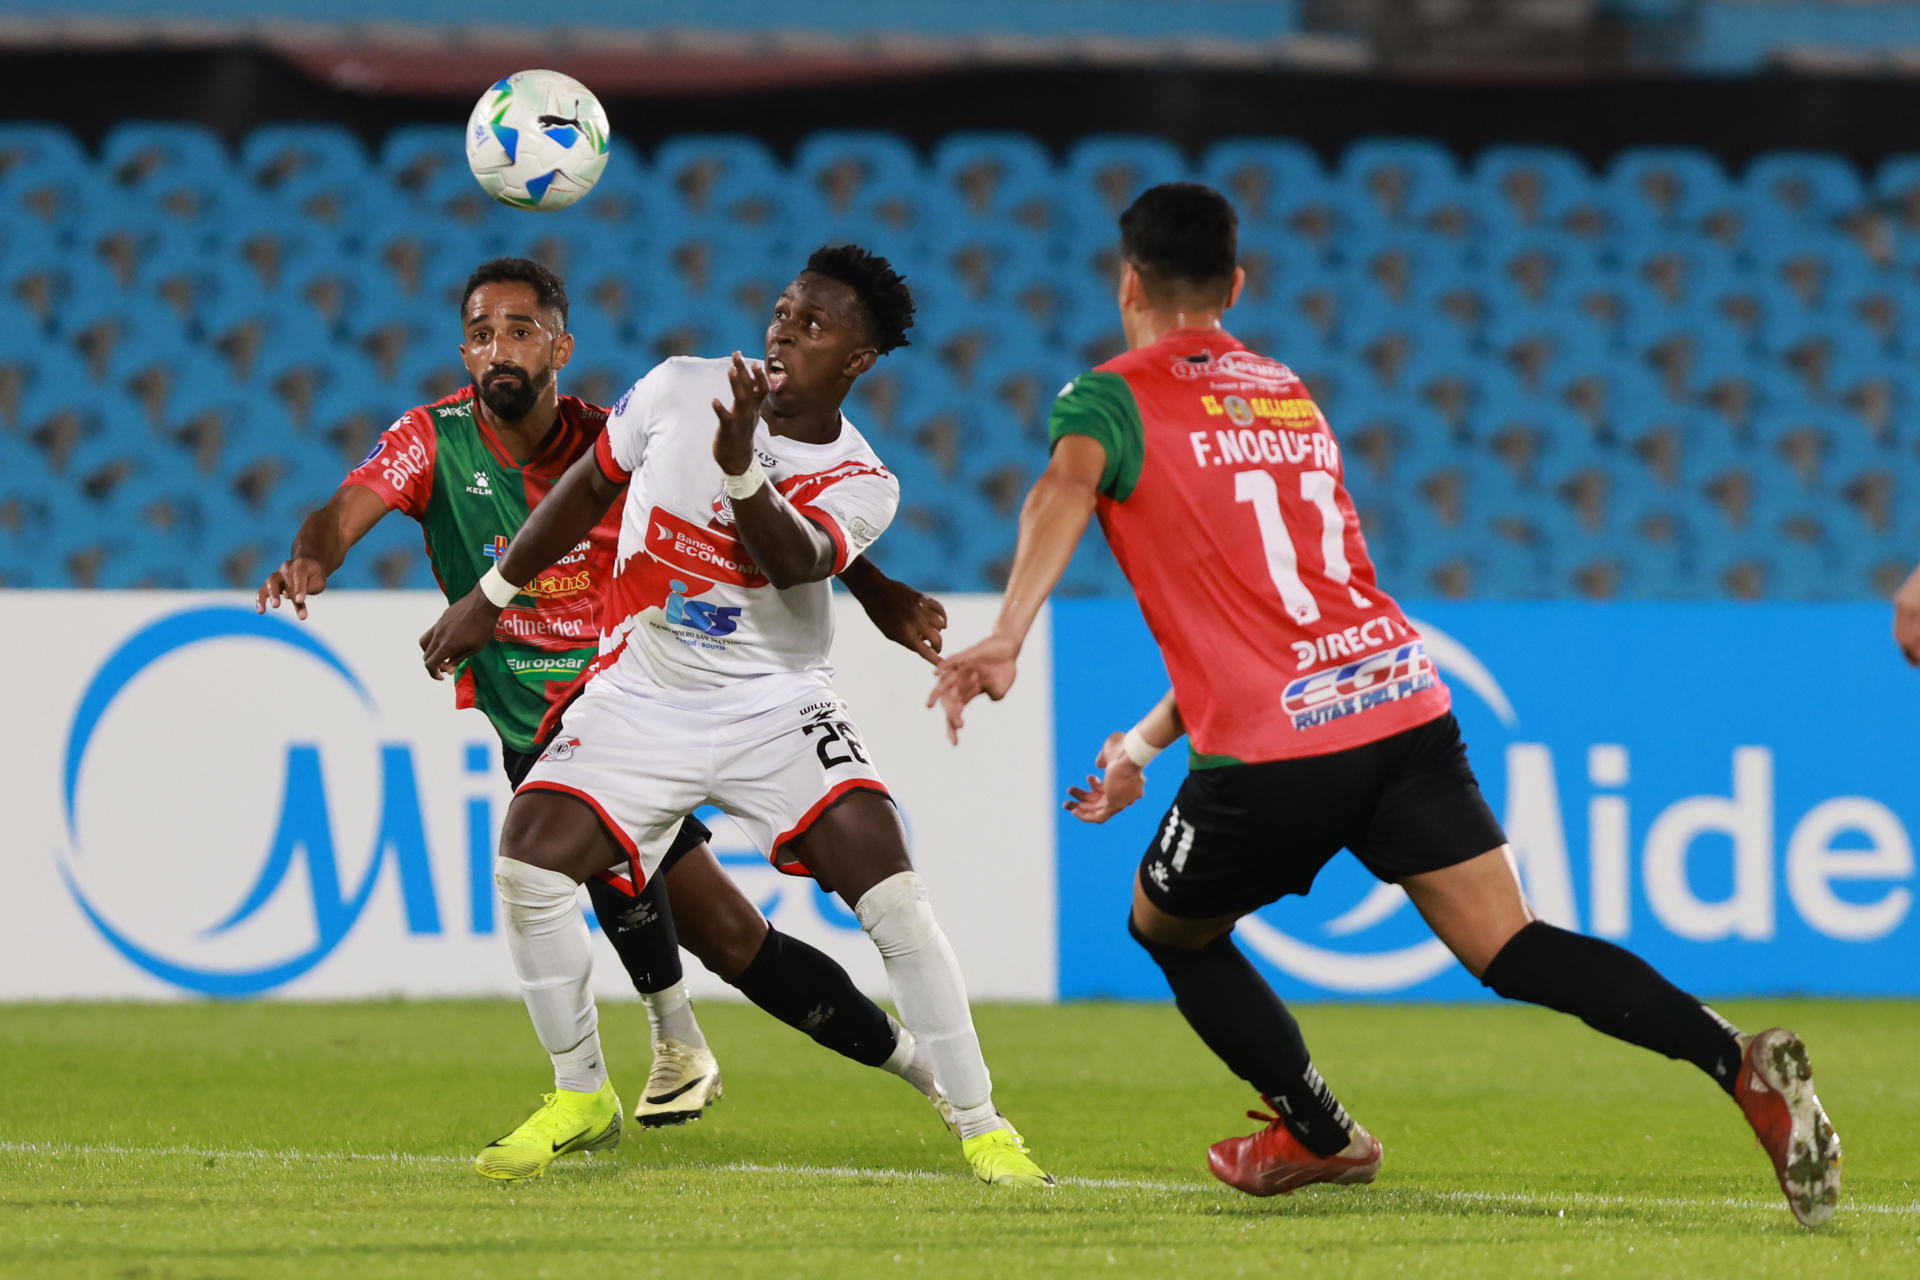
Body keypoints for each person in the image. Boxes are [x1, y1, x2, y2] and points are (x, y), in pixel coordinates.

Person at [931, 183, 1841, 1226]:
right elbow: (1277, 613)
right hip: (1403, 707)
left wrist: (1009, 625)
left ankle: (1320, 1134)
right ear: (1236, 284)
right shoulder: (1284, 392)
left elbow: (1064, 488)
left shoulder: (1108, 396)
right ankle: (1733, 1060)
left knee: (1169, 928)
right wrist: (1141, 741)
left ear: (1126, 280)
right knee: (1512, 942)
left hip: (1277, 753)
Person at [259, 256, 958, 1143]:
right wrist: (314, 557)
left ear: (561, 346)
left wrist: (876, 586)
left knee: (705, 923)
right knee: (727, 935)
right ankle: (708, 1046)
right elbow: (340, 510)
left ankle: (737, 1051)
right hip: (542, 719)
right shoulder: (430, 439)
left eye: (520, 331)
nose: (498, 349)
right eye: (480, 333)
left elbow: (765, 514)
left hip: (637, 695)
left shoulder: (619, 430)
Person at [418, 246, 1052, 1188]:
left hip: (777, 704)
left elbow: (796, 562)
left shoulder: (865, 479)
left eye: (814, 323)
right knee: (529, 857)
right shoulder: (680, 386)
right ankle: (582, 1093)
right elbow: (589, 485)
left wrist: (744, 472)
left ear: (858, 361)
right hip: (644, 689)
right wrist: (494, 590)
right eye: (785, 310)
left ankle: (983, 1125)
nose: (785, 330)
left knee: (894, 898)